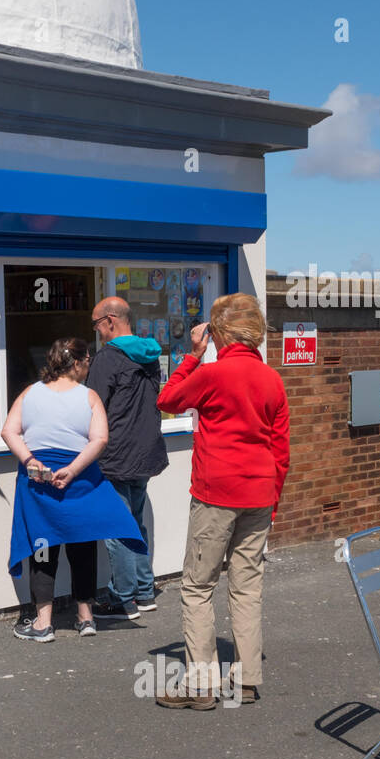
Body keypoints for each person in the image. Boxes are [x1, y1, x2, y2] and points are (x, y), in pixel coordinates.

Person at [156, 293, 290, 708]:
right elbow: (281, 449)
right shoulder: (272, 379)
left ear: (218, 333)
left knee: (198, 586)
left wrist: (194, 355)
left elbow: (167, 402)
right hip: (259, 492)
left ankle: (200, 685)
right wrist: (273, 501)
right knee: (247, 587)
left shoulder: (212, 373)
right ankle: (246, 680)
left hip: (217, 493)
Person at [2, 337, 149, 641]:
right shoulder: (89, 396)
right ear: (78, 363)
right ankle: (86, 618)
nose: (89, 367)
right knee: (83, 546)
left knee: (42, 549)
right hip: (79, 481)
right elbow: (99, 439)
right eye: (87, 362)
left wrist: (32, 461)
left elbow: (8, 431)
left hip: (38, 483)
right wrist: (71, 470)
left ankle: (43, 624)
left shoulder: (30, 393)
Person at [85, 297, 168, 623]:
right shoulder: (150, 354)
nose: (96, 331)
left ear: (110, 320)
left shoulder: (108, 358)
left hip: (117, 454)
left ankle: (123, 599)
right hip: (146, 450)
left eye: (95, 324)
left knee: (117, 527)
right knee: (135, 520)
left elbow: (92, 407)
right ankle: (145, 592)